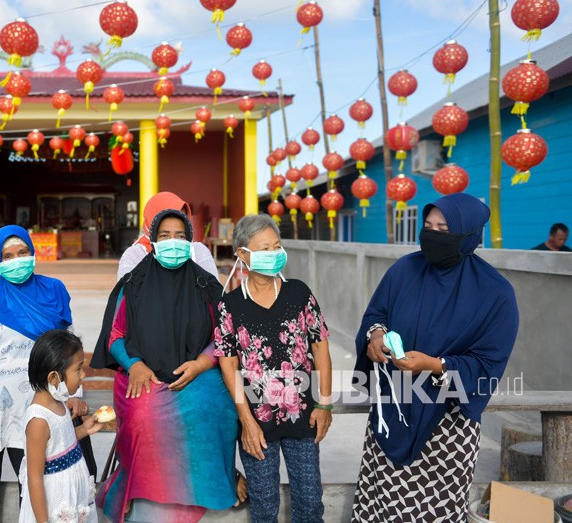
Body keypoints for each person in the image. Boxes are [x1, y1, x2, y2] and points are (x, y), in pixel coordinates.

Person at [351, 193, 518, 522]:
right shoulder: (404, 270)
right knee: (381, 505)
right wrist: (374, 337)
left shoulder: (496, 293)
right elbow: (376, 315)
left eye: (444, 228)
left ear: (469, 235)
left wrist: (434, 365)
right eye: (428, 226)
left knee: (434, 513)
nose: (431, 234)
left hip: (447, 430)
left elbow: (487, 363)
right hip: (393, 412)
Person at [92, 208, 239, 522]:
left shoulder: (205, 284)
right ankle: (133, 487)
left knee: (215, 405)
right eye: (165, 236)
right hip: (142, 372)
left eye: (181, 236)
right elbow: (116, 336)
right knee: (143, 415)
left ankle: (207, 486)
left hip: (195, 373)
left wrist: (202, 363)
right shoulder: (134, 284)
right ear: (153, 241)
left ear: (190, 242)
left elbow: (223, 335)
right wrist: (134, 365)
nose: (174, 242)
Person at [0, 224, 88, 522]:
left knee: (37, 492)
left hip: (39, 410)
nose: (17, 260)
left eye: (23, 252)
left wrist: (75, 393)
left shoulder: (54, 291)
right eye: (8, 255)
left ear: (32, 252)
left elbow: (68, 351)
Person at [215, 214, 332, 523]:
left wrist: (324, 402)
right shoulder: (229, 306)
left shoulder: (299, 294)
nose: (273, 253)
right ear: (243, 254)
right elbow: (228, 363)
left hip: (302, 417)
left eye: (277, 246)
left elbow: (320, 346)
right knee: (264, 507)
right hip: (256, 424)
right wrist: (246, 421)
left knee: (309, 502)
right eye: (264, 248)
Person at [19, 329, 102, 523]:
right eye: (78, 369)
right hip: (56, 503)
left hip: (73, 497)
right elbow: (35, 478)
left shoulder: (60, 402)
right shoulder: (39, 420)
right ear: (54, 378)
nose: (83, 375)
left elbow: (59, 443)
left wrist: (83, 430)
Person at [117, 191, 218, 280]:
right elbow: (125, 297)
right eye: (165, 235)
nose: (173, 240)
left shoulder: (198, 252)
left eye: (181, 219)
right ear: (152, 223)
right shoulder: (135, 255)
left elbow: (214, 295)